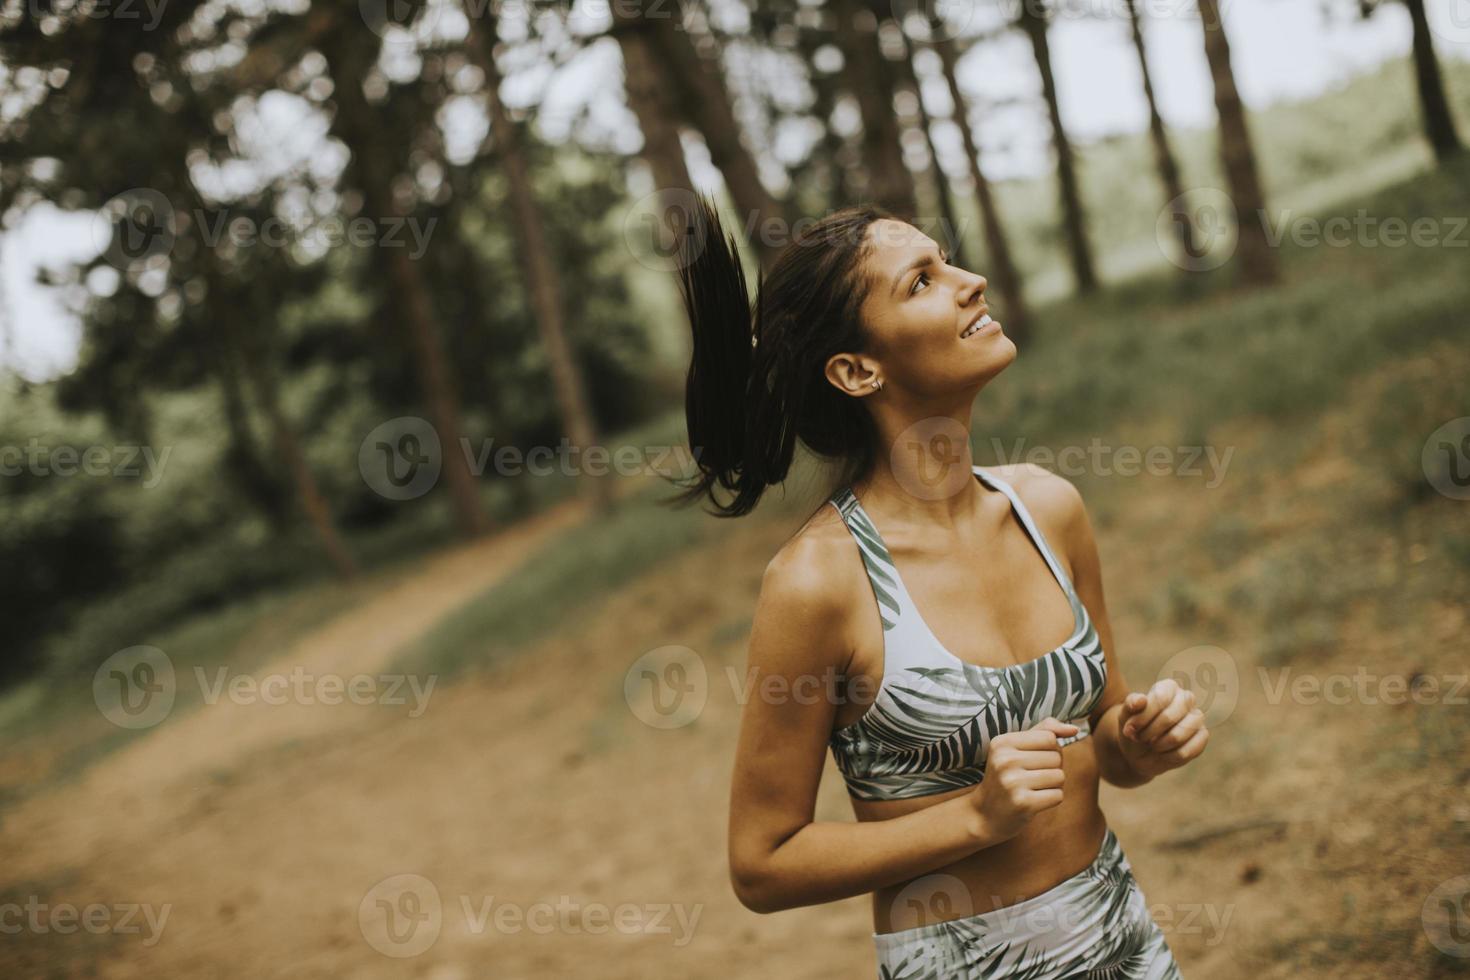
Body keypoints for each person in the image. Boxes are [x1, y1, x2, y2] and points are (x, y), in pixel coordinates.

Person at [670, 194, 1208, 978]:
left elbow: (1109, 747)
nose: (972, 281)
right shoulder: (818, 582)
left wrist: (1139, 740)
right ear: (857, 370)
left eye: (946, 260)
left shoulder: (1047, 508)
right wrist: (975, 818)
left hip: (1126, 942)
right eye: (921, 282)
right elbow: (761, 863)